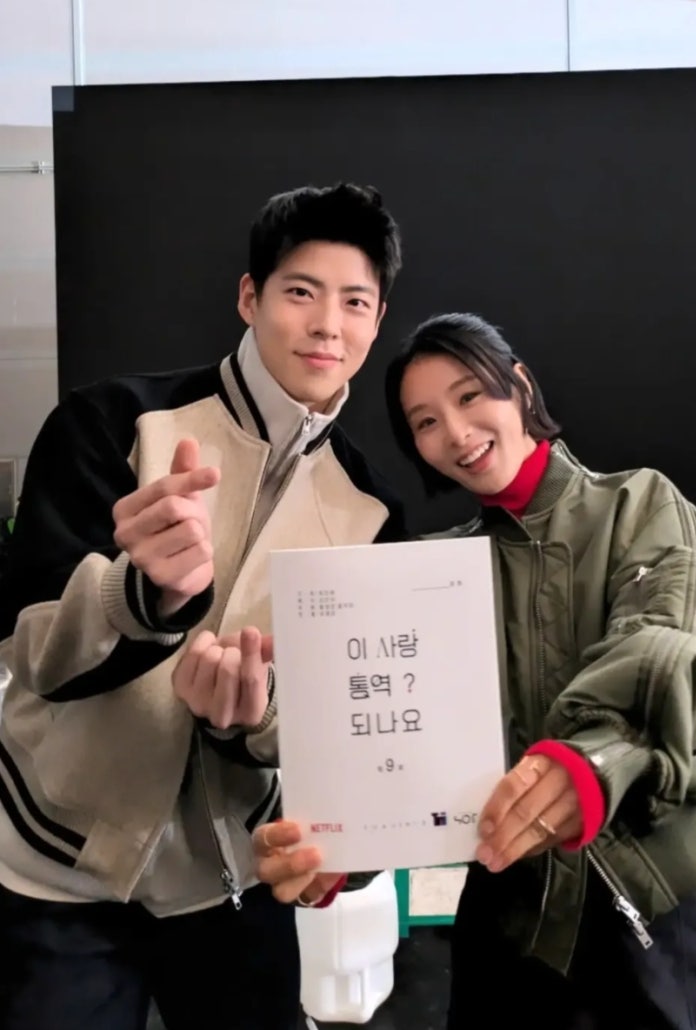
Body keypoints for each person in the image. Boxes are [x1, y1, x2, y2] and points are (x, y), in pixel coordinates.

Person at [255, 311, 696, 1029]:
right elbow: (405, 747)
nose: (456, 432)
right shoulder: (430, 573)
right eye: (425, 422)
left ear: (519, 385)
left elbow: (684, 647)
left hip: (665, 914)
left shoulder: (638, 504)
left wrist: (589, 762)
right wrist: (342, 844)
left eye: (470, 396)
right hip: (511, 929)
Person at [0, 182, 403, 1030]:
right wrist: (138, 596)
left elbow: (339, 723)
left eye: (354, 302)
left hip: (230, 876)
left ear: (376, 321)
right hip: (59, 863)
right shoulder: (114, 422)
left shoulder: (370, 510)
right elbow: (28, 651)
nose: (327, 325)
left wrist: (253, 719)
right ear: (249, 297)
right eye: (301, 291)